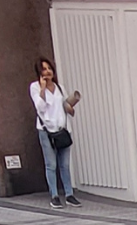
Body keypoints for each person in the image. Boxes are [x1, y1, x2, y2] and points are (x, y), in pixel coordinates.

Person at [30, 58, 81, 208]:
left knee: (64, 164)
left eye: (49, 68)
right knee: (51, 164)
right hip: (46, 131)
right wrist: (43, 90)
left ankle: (69, 194)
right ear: (39, 72)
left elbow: (65, 106)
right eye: (44, 69)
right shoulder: (35, 87)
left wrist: (70, 108)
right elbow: (40, 108)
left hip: (63, 129)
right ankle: (54, 195)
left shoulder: (60, 87)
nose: (47, 72)